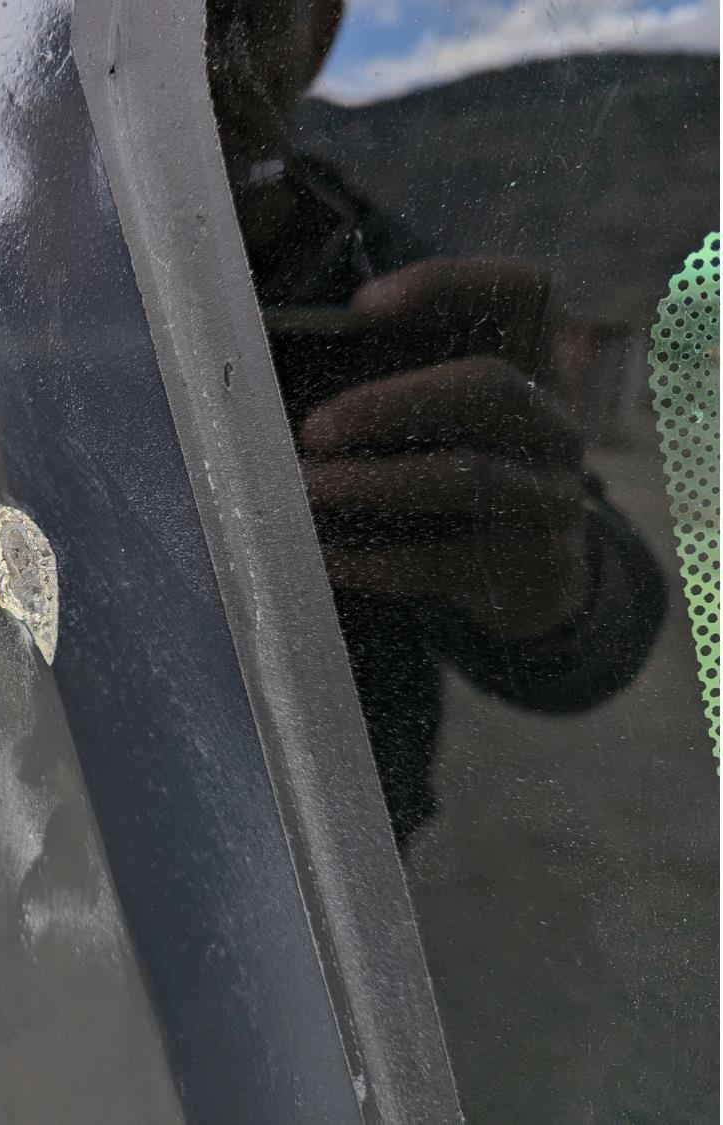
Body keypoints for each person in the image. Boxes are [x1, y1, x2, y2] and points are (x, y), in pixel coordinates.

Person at [205, 0, 665, 842]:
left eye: (241, 11)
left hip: (321, 851)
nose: (197, 55)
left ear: (321, 28)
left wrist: (562, 585)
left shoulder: (397, 297)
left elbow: (602, 586)